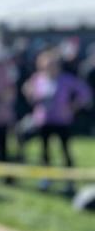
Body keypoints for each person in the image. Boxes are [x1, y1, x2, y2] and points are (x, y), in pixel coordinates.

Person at [21, 50, 92, 193]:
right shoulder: (38, 78)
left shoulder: (66, 79)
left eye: (52, 65)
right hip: (43, 121)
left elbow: (85, 93)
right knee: (45, 151)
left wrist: (73, 107)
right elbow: (27, 89)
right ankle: (46, 179)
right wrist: (30, 94)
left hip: (62, 120)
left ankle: (70, 181)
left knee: (65, 151)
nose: (49, 68)